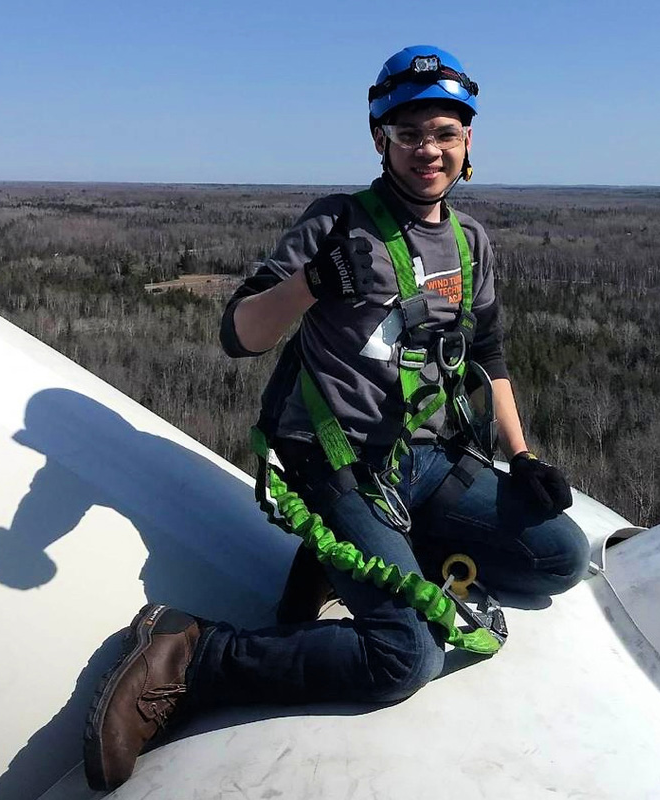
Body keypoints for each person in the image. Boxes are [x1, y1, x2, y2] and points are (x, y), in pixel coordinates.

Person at [83, 45, 590, 792]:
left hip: (431, 459)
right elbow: (240, 334)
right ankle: (191, 654)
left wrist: (522, 456)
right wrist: (310, 286)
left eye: (446, 133)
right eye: (411, 132)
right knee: (402, 658)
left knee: (560, 558)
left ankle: (361, 553)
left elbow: (490, 352)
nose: (430, 150)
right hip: (339, 462)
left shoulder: (469, 240)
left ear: (469, 142)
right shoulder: (336, 222)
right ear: (380, 138)